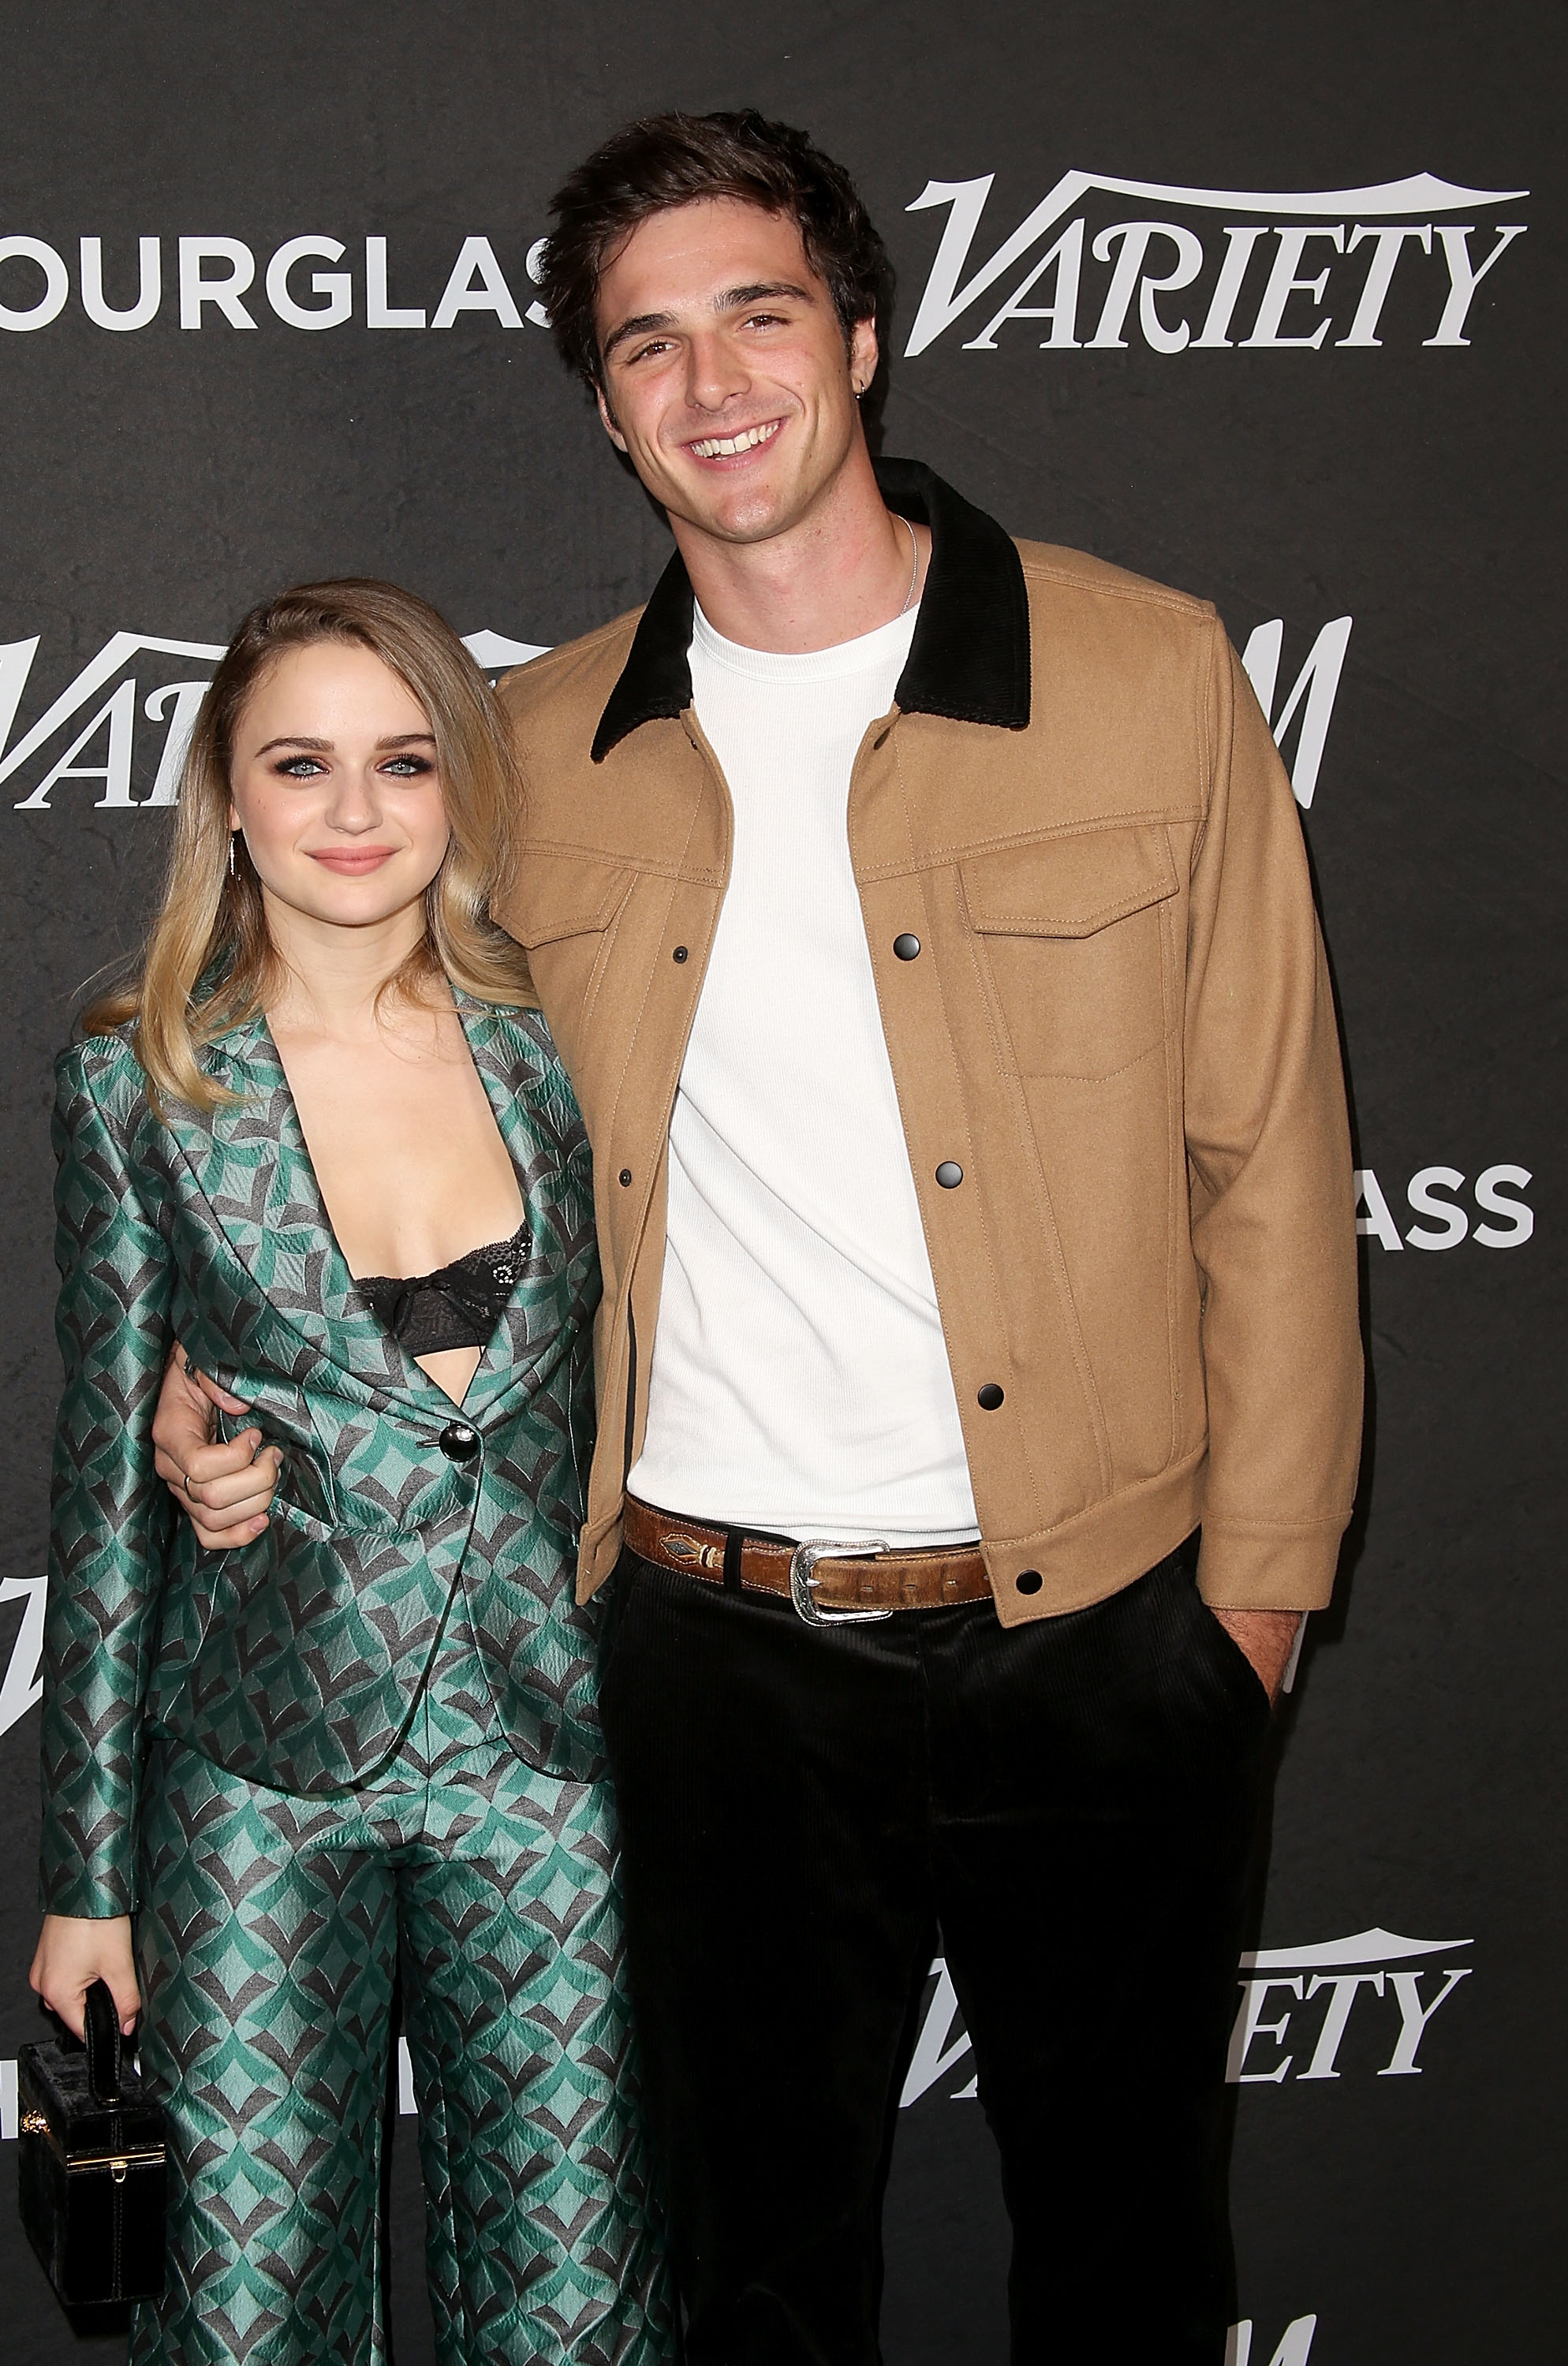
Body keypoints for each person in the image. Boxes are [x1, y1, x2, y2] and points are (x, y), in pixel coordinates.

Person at [159, 113, 1363, 2366]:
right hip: (706, 1658)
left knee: (1124, 2265)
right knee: (748, 2281)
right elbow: (348, 1086)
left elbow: (1270, 1163)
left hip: (1103, 1634)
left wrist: (1252, 1614)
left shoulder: (1143, 673)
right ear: (605, 409)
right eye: (647, 345)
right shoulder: (523, 754)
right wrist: (197, 1360)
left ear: (864, 339)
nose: (712, 382)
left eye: (758, 315)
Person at [28, 579, 671, 2366]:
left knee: (575, 2299)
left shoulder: (561, 1048)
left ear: (458, 787)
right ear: (226, 798)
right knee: (243, 2310)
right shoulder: (138, 1082)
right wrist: (89, 1880)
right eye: (298, 765)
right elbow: (95, 1499)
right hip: (256, 1783)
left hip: (545, 1769)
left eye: (401, 763)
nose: (354, 813)